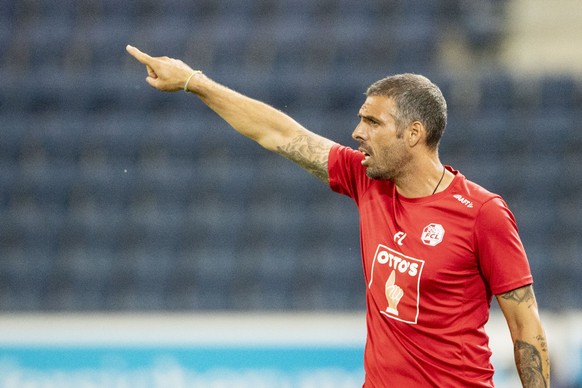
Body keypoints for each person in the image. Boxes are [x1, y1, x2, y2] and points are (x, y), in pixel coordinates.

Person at [126, 45, 550, 387]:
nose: (357, 132)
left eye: (372, 121)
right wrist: (193, 82)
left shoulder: (483, 213)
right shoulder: (366, 180)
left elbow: (525, 324)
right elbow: (280, 133)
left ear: (414, 134)